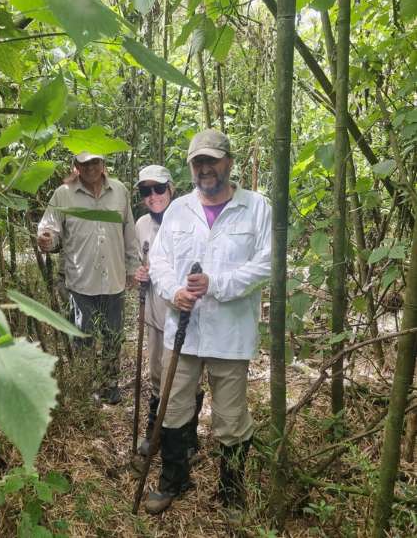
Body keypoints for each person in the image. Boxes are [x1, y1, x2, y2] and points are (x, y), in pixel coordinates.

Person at [145, 129, 272, 514]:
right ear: (190, 166)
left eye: (212, 160)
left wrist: (216, 285)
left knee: (231, 419)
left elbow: (266, 266)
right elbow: (161, 262)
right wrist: (173, 292)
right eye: (198, 162)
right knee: (172, 407)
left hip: (231, 334)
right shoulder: (179, 209)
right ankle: (174, 481)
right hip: (182, 330)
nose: (205, 169)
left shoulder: (256, 207)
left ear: (228, 162)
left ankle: (232, 493)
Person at [37, 151, 138, 404]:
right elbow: (50, 230)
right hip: (81, 281)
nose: (90, 167)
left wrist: (132, 266)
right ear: (76, 166)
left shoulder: (119, 191)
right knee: (83, 337)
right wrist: (46, 240)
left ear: (103, 164)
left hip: (113, 278)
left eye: (95, 162)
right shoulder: (64, 194)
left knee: (113, 335)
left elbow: (129, 229)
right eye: (84, 163)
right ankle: (88, 385)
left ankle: (110, 383)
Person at [134, 165, 204, 458]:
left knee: (184, 382)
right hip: (155, 315)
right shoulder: (140, 225)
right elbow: (142, 264)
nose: (153, 196)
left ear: (171, 189)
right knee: (157, 376)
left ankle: (187, 436)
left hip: (187, 318)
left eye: (159, 188)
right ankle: (156, 431)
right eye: (146, 191)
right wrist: (140, 274)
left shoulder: (191, 219)